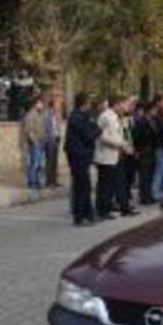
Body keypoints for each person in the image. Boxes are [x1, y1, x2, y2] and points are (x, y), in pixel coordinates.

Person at [94, 95, 135, 219]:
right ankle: (102, 210)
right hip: (106, 155)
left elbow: (119, 134)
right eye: (124, 104)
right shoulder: (107, 116)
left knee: (115, 183)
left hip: (115, 155)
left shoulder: (117, 116)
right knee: (105, 185)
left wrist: (125, 144)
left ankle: (118, 207)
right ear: (117, 104)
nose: (126, 107)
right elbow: (104, 136)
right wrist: (122, 144)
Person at [64, 92, 102, 227]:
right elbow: (89, 134)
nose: (90, 105)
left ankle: (88, 213)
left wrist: (95, 128)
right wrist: (98, 130)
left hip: (82, 155)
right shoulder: (77, 118)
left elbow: (92, 129)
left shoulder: (83, 117)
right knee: (81, 186)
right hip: (78, 155)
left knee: (85, 185)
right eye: (89, 102)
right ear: (84, 103)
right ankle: (79, 217)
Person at [132, 101, 159, 205]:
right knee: (145, 175)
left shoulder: (154, 121)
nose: (156, 111)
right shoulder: (141, 122)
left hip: (152, 150)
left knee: (151, 173)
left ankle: (149, 195)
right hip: (144, 150)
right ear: (149, 110)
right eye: (154, 110)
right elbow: (137, 137)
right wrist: (138, 150)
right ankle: (144, 197)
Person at [23, 96, 47, 190]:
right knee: (34, 163)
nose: (42, 105)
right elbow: (29, 131)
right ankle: (32, 182)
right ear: (36, 104)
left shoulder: (40, 115)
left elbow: (43, 128)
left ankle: (37, 181)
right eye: (40, 103)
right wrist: (35, 142)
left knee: (39, 164)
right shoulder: (30, 115)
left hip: (41, 142)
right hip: (35, 143)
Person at [43, 98, 63, 188]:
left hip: (56, 139)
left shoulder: (56, 115)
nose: (58, 107)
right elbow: (45, 128)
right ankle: (48, 182)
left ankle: (54, 180)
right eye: (57, 105)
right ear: (52, 105)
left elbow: (57, 127)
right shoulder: (46, 114)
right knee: (49, 161)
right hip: (49, 140)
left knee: (55, 161)